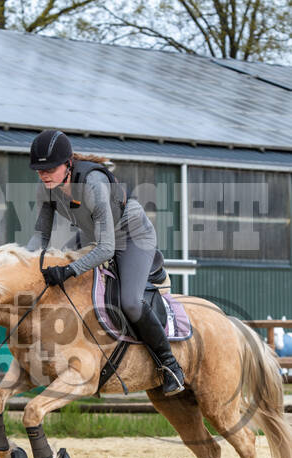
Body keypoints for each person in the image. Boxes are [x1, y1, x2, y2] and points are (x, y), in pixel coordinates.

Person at [26, 129, 185, 396]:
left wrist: (68, 270)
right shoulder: (48, 189)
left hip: (132, 238)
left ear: (68, 165)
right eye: (39, 170)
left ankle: (170, 365)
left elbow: (107, 248)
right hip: (93, 238)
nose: (43, 175)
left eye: (50, 169)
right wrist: (22, 262)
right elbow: (41, 235)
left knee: (130, 302)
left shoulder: (92, 184)